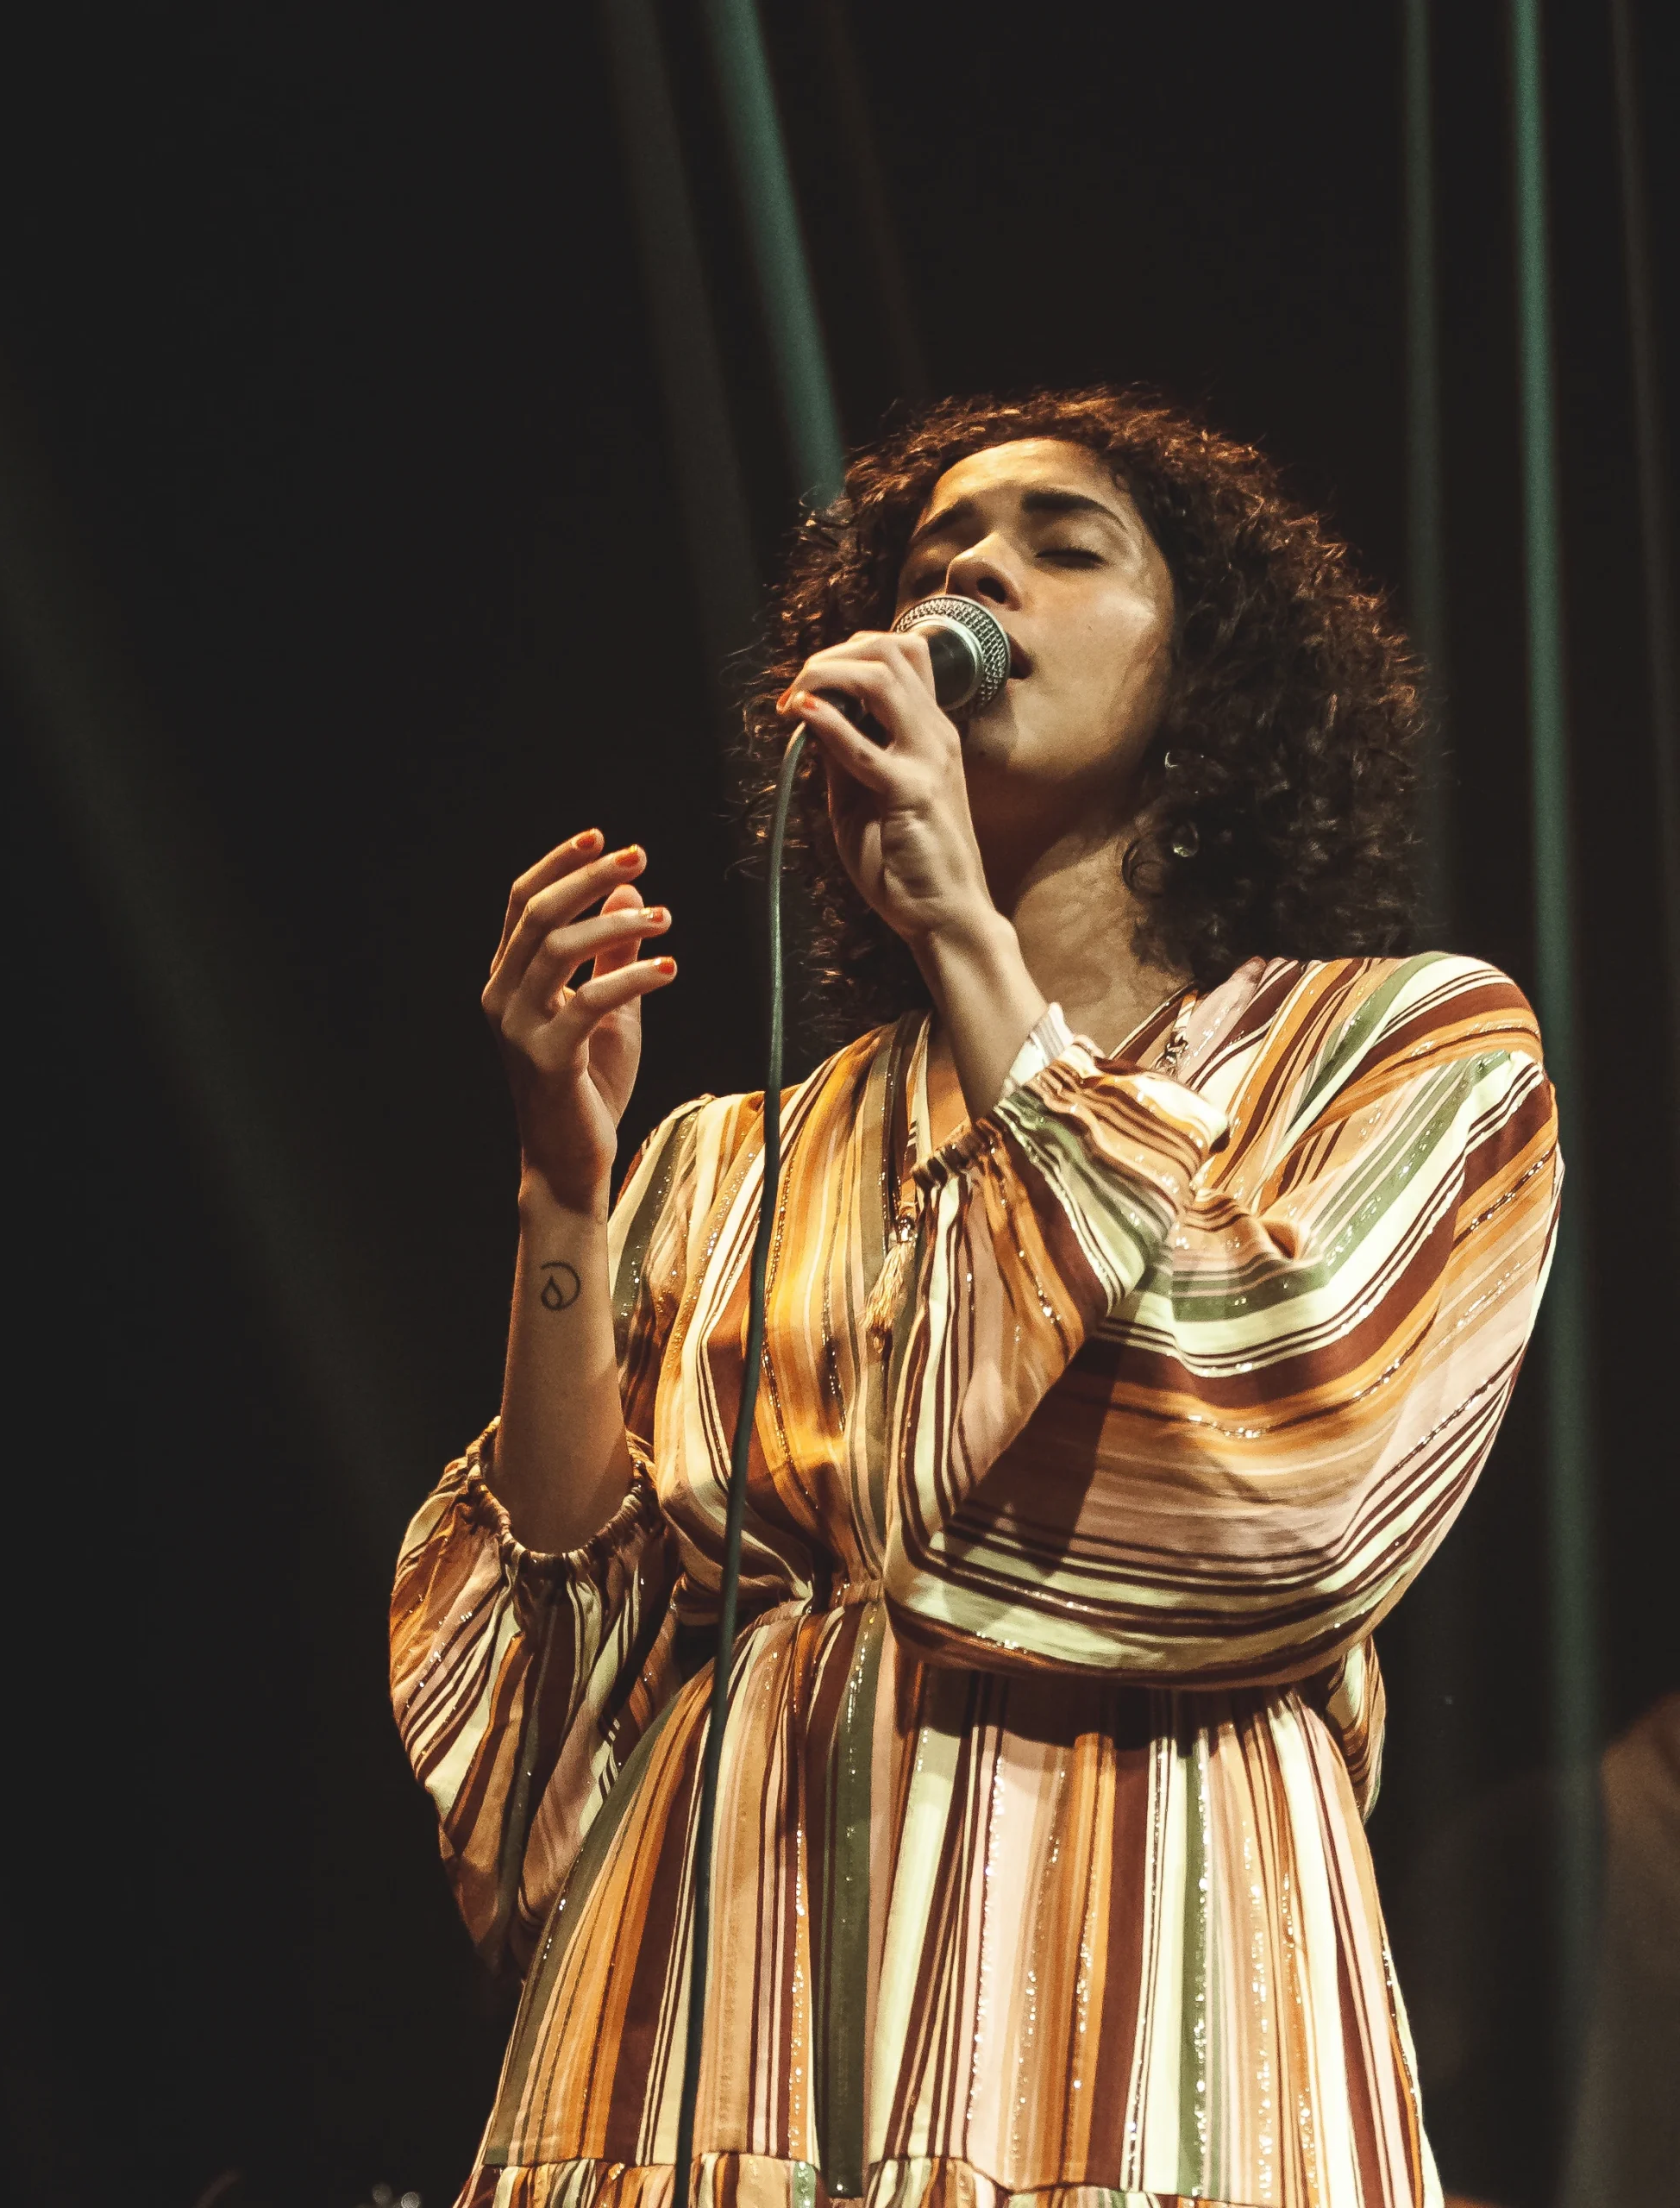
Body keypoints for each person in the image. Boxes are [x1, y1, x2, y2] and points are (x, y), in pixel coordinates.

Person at [390, 391, 1559, 2208]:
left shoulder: (1388, 1053)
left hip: (1133, 1979)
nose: (977, 575)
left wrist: (965, 936)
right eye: (938, 554)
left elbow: (1287, 1470)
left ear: (1209, 673)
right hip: (710, 1996)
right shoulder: (732, 1151)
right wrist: (564, 1182)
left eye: (1061, 545)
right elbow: (568, 1667)